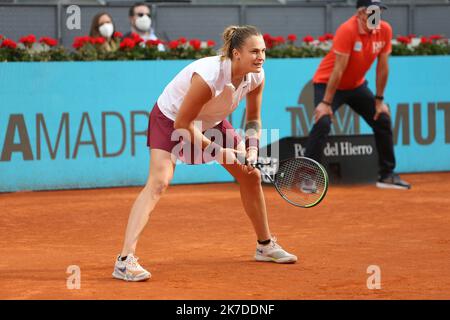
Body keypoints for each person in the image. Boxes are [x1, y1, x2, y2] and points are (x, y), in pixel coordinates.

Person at [112, 25, 297, 282]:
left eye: (263, 51)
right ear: (236, 54)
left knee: (251, 175)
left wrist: (252, 147)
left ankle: (265, 245)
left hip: (211, 121)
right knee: (158, 183)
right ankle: (124, 261)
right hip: (172, 119)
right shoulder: (209, 77)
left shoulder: (257, 76)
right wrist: (221, 152)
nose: (261, 56)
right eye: (254, 51)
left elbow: (253, 119)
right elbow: (182, 125)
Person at [304, 0, 411, 190]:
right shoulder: (347, 30)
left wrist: (379, 101)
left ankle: (386, 175)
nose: (377, 16)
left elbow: (382, 67)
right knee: (322, 123)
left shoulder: (385, 29)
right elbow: (338, 70)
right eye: (372, 12)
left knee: (382, 118)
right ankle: (309, 176)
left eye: (379, 11)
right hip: (328, 84)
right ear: (361, 13)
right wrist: (326, 103)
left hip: (356, 86)